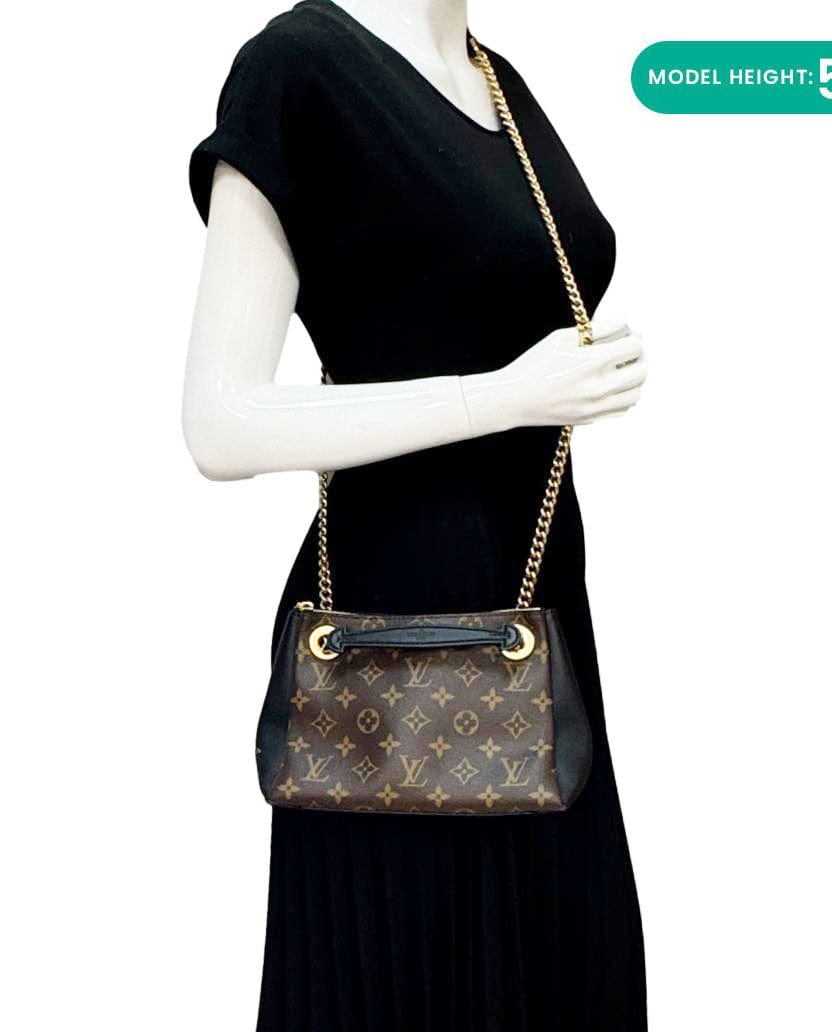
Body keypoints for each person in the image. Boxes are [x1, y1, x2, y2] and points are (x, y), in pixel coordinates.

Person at [185, 1, 648, 1028]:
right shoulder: (299, 68)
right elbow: (219, 424)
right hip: (390, 660)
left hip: (542, 633)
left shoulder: (499, 83)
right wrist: (502, 397)